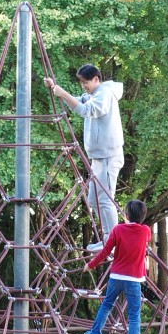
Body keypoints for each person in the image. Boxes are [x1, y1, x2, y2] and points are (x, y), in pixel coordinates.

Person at [43, 64, 124, 251]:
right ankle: (107, 239)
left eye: (85, 82)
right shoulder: (93, 95)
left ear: (96, 79)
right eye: (81, 83)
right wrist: (55, 88)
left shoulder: (105, 94)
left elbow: (87, 110)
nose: (83, 86)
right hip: (98, 157)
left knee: (106, 199)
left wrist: (62, 94)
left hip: (109, 157)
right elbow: (78, 102)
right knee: (94, 199)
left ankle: (111, 242)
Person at [82, 199, 152, 334]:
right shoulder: (145, 231)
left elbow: (106, 251)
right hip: (134, 279)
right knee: (134, 316)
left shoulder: (118, 230)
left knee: (106, 305)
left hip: (116, 276)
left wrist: (90, 265)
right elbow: (142, 239)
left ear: (126, 215)